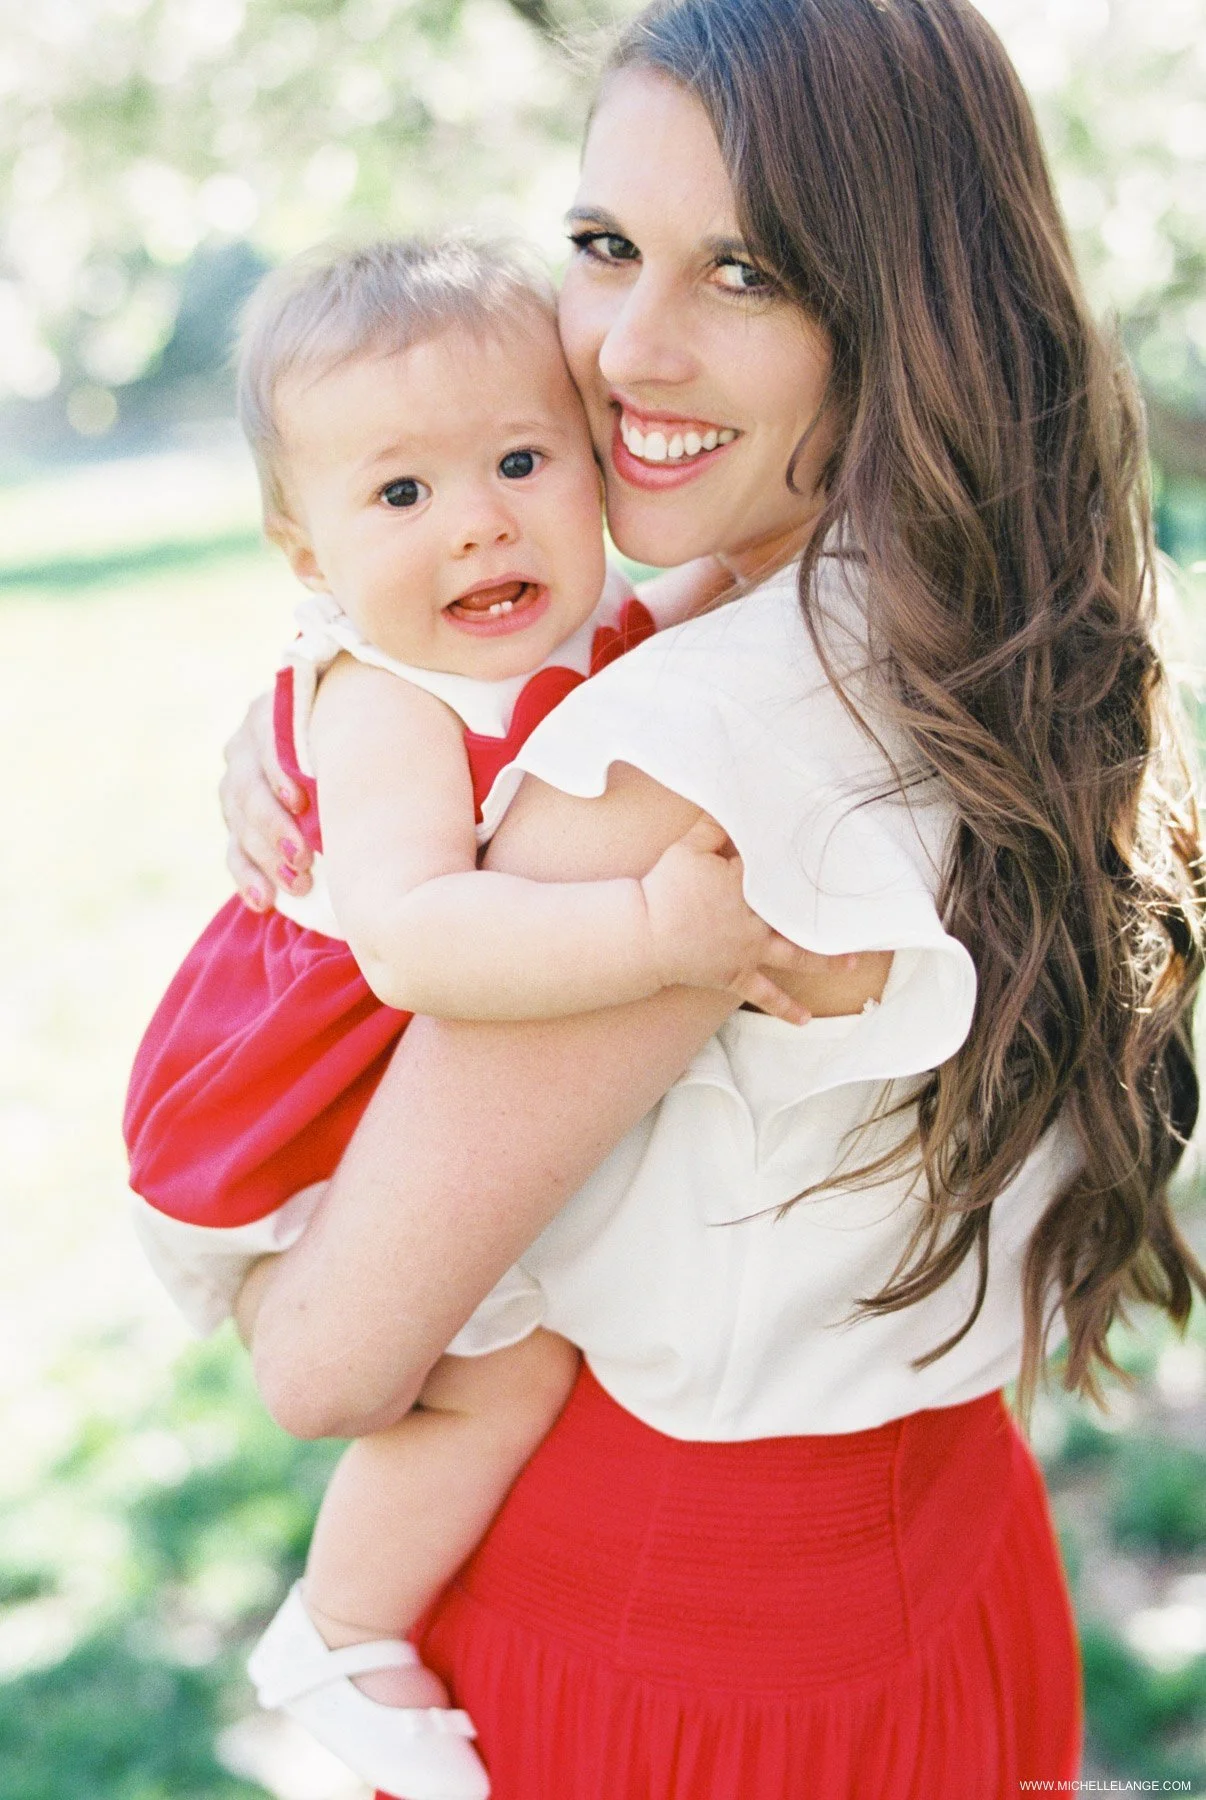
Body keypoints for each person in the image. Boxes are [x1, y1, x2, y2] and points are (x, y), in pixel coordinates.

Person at [220, 0, 1206, 1793]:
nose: (625, 348)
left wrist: (241, 1253)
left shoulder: (677, 760)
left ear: (904, 306)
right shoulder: (1028, 625)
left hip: (664, 1652)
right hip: (954, 1576)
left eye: (744, 271)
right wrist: (332, 702)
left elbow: (325, 1369)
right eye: (603, 245)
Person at [124, 235, 822, 1799]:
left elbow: (708, 591)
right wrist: (654, 933)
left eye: (520, 460)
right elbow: (416, 944)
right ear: (305, 555)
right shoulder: (388, 698)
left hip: (361, 1090)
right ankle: (342, 1627)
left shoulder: (588, 625)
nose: (478, 522)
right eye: (401, 494)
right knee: (496, 1377)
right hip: (288, 1115)